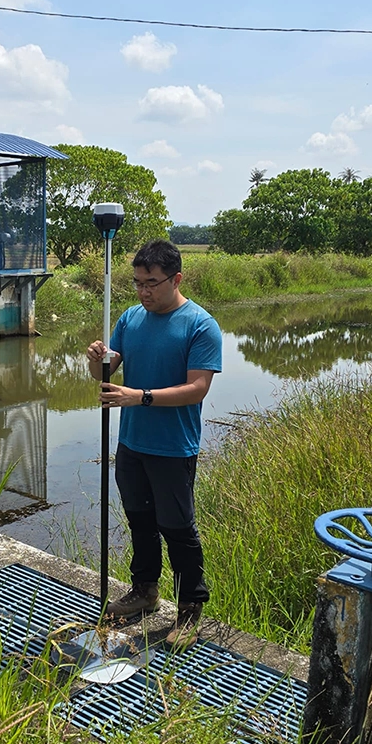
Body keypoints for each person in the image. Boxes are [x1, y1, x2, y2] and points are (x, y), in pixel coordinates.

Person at [86, 239, 222, 650]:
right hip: (132, 443)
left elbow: (197, 389)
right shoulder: (129, 318)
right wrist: (95, 359)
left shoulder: (200, 325)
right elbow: (105, 375)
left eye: (152, 283)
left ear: (176, 278)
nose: (144, 292)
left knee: (178, 530)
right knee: (140, 522)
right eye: (138, 283)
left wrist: (138, 396)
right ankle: (145, 590)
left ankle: (189, 610)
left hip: (173, 446)